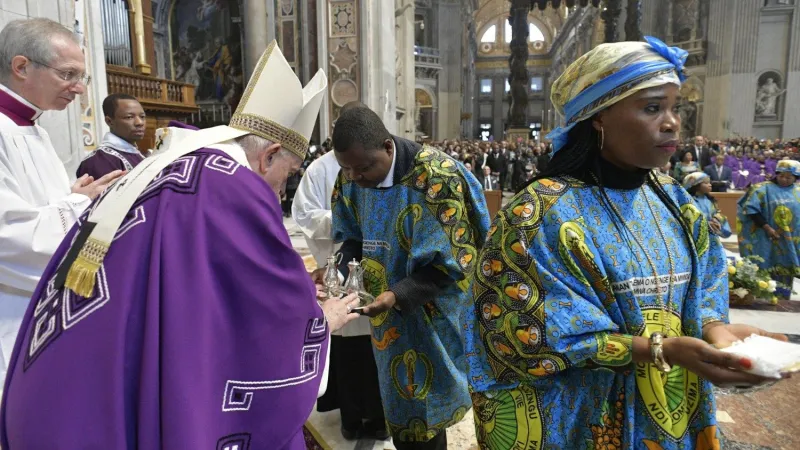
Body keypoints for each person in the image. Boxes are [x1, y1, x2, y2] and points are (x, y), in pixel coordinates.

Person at [0, 41, 360, 449]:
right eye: (287, 174)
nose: (279, 192)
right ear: (270, 154)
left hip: (65, 386)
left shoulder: (178, 160)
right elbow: (269, 323)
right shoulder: (232, 185)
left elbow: (201, 286)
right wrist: (320, 321)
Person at [466, 36, 788, 450]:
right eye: (652, 107)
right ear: (598, 117)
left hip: (670, 410)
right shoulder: (538, 215)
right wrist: (655, 349)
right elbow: (523, 330)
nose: (672, 122)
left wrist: (715, 329)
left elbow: (706, 281)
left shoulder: (675, 200)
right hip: (583, 418)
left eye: (675, 108)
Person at [319, 105, 490, 450]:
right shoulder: (352, 174)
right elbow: (351, 236)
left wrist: (398, 295)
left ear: (386, 146)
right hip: (387, 313)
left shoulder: (436, 178)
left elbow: (457, 260)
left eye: (364, 167)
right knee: (401, 403)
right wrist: (339, 273)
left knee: (429, 408)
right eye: (346, 168)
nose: (355, 178)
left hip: (433, 309)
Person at [0, 18, 122, 391]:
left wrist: (73, 197)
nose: (80, 89)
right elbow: (8, 236)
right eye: (68, 74)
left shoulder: (31, 128)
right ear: (22, 67)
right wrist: (74, 204)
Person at [292, 103, 386, 441]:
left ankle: (379, 419)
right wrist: (344, 221)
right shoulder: (320, 169)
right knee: (348, 355)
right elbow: (303, 213)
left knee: (377, 353)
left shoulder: (380, 163)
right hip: (341, 276)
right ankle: (351, 420)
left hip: (375, 276)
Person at [737, 159, 800, 299]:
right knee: (764, 265)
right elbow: (751, 210)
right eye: (781, 176)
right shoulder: (761, 188)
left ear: (796, 177)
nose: (784, 179)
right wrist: (767, 228)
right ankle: (761, 295)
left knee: (786, 267)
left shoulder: (798, 191)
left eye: (789, 177)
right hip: (765, 237)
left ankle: (783, 298)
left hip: (790, 240)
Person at [77, 93, 146, 179]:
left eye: (142, 116)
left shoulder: (139, 155)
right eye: (129, 117)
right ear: (109, 121)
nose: (140, 122)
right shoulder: (99, 161)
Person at [683, 172, 731, 238]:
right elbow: (689, 219)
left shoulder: (709, 199)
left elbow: (717, 213)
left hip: (712, 235)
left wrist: (716, 219)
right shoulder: (689, 201)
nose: (710, 185)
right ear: (696, 186)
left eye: (709, 182)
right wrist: (707, 224)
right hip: (697, 237)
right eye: (706, 183)